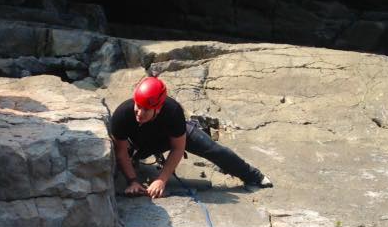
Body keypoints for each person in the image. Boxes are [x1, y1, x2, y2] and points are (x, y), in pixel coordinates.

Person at [110, 76, 272, 199]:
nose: (139, 113)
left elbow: (178, 148)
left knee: (212, 149)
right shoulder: (123, 114)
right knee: (121, 163)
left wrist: (162, 179)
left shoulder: (172, 112)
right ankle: (135, 170)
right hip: (138, 143)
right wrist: (132, 181)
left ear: (158, 109)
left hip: (168, 136)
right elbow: (121, 152)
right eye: (138, 106)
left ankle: (255, 177)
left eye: (146, 109)